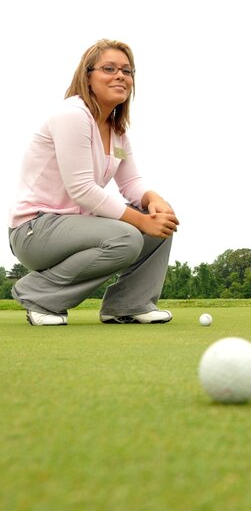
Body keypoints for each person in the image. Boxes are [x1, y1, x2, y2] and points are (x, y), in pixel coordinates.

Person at [8, 39, 179, 326]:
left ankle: (128, 304)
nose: (120, 76)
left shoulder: (117, 131)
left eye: (127, 71)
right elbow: (82, 189)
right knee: (127, 236)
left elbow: (131, 183)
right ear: (87, 77)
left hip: (77, 228)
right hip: (34, 231)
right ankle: (39, 296)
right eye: (109, 68)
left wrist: (154, 201)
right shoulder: (72, 116)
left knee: (160, 218)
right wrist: (139, 221)